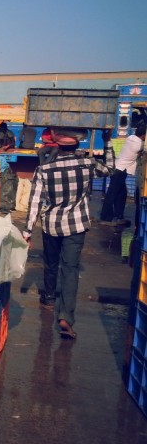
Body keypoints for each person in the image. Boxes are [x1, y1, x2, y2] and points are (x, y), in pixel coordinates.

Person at [23, 129, 114, 340]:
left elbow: (35, 202)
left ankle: (48, 298)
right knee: (70, 270)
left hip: (51, 225)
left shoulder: (44, 170)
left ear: (58, 145)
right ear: (77, 146)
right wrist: (107, 142)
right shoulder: (87, 164)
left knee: (51, 263)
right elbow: (110, 169)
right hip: (76, 225)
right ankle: (66, 317)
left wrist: (27, 232)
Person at [100, 124, 146, 223]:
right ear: (143, 136)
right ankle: (106, 217)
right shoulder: (139, 145)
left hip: (118, 168)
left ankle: (118, 216)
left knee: (122, 194)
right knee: (112, 194)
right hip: (120, 171)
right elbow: (143, 149)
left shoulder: (130, 138)